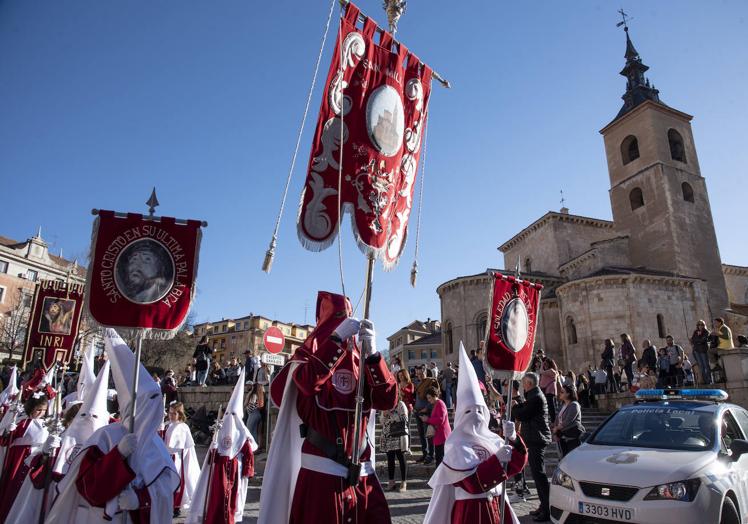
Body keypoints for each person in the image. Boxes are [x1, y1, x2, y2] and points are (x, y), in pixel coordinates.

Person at [257, 291, 397, 524]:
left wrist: (373, 356)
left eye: (348, 317)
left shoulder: (361, 363)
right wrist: (333, 342)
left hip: (361, 476)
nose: (344, 321)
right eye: (338, 317)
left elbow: (387, 400)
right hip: (321, 478)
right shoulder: (306, 358)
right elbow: (307, 383)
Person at [46, 329, 180, 524]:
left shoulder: (157, 446)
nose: (151, 410)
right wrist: (117, 456)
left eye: (155, 403)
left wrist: (141, 500)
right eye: (146, 402)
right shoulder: (106, 436)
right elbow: (87, 485)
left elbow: (165, 492)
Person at [424, 343, 527, 524]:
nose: (476, 416)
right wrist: (497, 461)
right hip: (470, 513)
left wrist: (513, 440)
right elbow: (472, 483)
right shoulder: (456, 446)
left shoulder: (493, 440)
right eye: (470, 411)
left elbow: (515, 466)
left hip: (497, 507)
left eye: (480, 411)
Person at [8, 362, 111, 524]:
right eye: (83, 418)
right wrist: (45, 455)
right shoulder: (61, 441)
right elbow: (37, 476)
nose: (87, 424)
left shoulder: (104, 451)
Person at [187, 367, 256, 524]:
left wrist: (247, 471)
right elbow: (213, 455)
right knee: (217, 497)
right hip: (219, 470)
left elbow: (249, 452)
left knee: (231, 498)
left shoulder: (243, 433)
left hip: (234, 469)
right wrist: (214, 446)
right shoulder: (221, 427)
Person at [0, 393, 50, 521]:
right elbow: (4, 441)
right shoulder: (23, 423)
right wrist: (8, 432)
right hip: (20, 459)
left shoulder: (46, 423)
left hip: (36, 460)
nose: (41, 413)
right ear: (31, 408)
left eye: (43, 410)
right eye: (38, 410)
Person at [512, 372, 552, 522]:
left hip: (537, 439)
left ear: (529, 384)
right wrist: (517, 405)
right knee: (537, 474)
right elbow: (524, 408)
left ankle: (547, 509)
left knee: (539, 475)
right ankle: (543, 505)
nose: (522, 386)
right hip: (535, 438)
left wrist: (515, 408)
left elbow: (523, 414)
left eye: (524, 383)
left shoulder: (536, 398)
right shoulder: (533, 396)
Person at [164, 402, 200, 518]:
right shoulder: (168, 425)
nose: (171, 416)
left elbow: (184, 447)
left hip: (177, 459)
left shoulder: (183, 427)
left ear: (179, 414)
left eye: (174, 414)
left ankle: (176, 507)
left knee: (178, 483)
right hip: (167, 458)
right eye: (169, 413)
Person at [380, 392, 409, 492]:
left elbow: (405, 419)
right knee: (390, 459)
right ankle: (391, 481)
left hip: (399, 435)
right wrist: (384, 415)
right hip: (388, 436)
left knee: (401, 457)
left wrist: (392, 414)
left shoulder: (401, 404)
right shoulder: (385, 406)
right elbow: (381, 421)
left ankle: (404, 482)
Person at [420, 387, 451, 466]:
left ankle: (440, 477)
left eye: (429, 398)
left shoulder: (440, 403)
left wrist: (427, 419)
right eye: (428, 398)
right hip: (439, 435)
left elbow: (441, 419)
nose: (428, 400)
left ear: (435, 396)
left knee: (440, 459)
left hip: (442, 435)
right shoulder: (436, 404)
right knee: (439, 459)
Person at [415, 365, 438, 464]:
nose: (419, 375)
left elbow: (434, 396)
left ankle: (431, 455)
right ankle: (424, 454)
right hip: (418, 411)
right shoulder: (418, 383)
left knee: (428, 434)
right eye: (418, 374)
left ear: (425, 372)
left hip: (426, 412)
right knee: (421, 434)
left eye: (421, 373)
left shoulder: (430, 381)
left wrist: (426, 408)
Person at [552, 385, 584, 457]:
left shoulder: (574, 405)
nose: (560, 393)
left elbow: (568, 420)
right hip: (563, 435)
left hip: (572, 436)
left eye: (562, 392)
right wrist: (555, 431)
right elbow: (557, 419)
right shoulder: (563, 405)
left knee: (573, 457)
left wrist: (556, 428)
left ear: (568, 394)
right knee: (564, 457)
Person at [690, 320, 712, 385]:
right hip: (697, 351)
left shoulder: (706, 332)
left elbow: (703, 340)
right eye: (699, 325)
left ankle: (709, 380)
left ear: (704, 325)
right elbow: (693, 340)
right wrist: (698, 340)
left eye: (702, 324)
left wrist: (698, 339)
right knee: (701, 366)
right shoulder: (695, 332)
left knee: (706, 365)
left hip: (703, 350)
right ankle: (704, 380)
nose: (700, 326)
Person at [539, 359, 559, 424]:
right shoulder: (549, 371)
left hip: (549, 390)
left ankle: (553, 421)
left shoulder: (551, 371)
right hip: (547, 390)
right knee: (549, 406)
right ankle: (552, 420)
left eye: (546, 364)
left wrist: (542, 364)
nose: (545, 365)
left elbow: (541, 372)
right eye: (545, 364)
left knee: (551, 406)